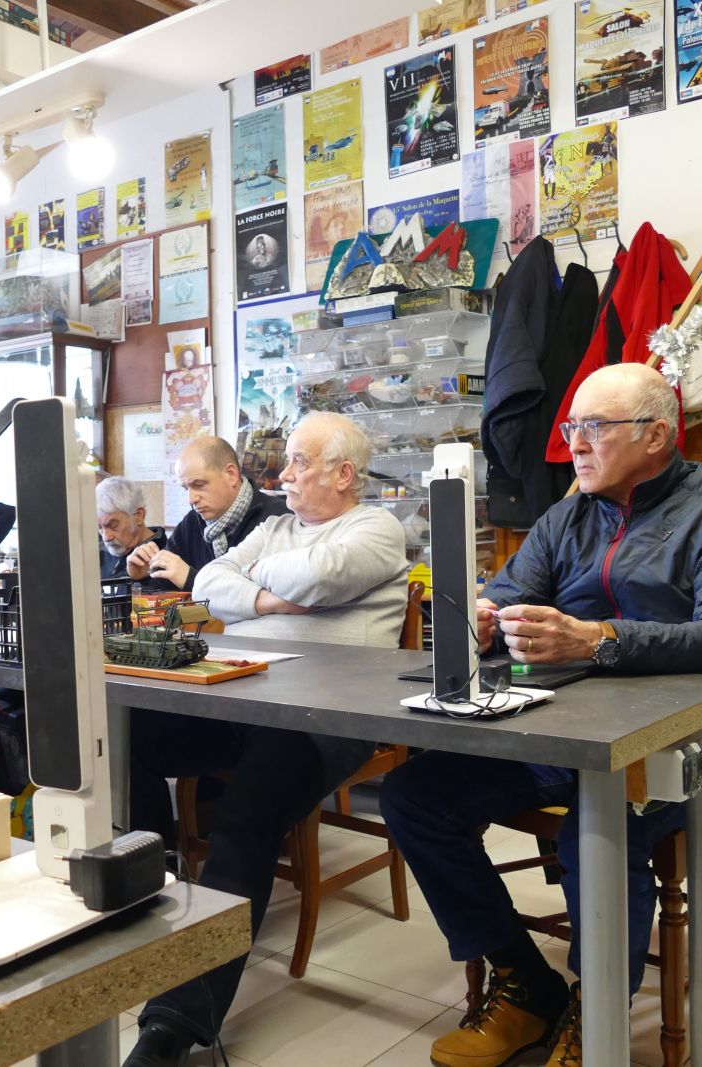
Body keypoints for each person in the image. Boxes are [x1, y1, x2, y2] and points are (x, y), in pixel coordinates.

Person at [378, 364, 702, 1067]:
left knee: (598, 826)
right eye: (570, 427)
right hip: (565, 728)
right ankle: (527, 985)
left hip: (682, 740)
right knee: (415, 796)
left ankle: (599, 1008)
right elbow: (508, 592)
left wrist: (598, 639)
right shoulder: (566, 517)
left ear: (656, 435)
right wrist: (486, 620)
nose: (573, 445)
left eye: (593, 427)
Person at [124, 412, 409, 1067]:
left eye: (300, 462)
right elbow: (207, 582)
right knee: (126, 735)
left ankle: (173, 1023)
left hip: (327, 714)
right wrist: (271, 600)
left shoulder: (377, 528)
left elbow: (323, 576)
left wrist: (250, 581)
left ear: (344, 473)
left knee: (246, 818)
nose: (283, 476)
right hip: (246, 694)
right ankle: (153, 890)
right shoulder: (277, 526)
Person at [127, 436, 286, 592]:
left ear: (231, 475)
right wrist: (143, 576)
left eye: (199, 485)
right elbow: (167, 587)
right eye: (186, 489)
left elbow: (274, 596)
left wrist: (191, 579)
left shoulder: (278, 518)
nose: (191, 499)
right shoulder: (192, 522)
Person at [95, 477, 165, 581]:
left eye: (113, 525)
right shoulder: (98, 555)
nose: (106, 537)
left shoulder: (164, 555)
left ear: (139, 516)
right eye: (100, 528)